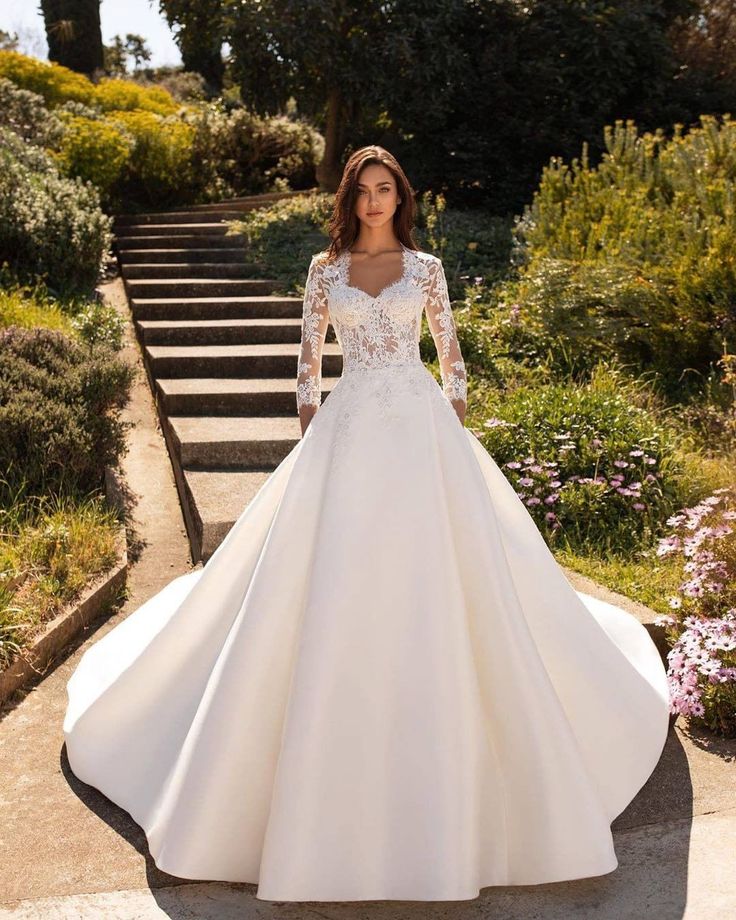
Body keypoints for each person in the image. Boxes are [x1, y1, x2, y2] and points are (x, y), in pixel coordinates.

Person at [63, 145, 671, 903]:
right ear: (349, 198)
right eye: (365, 190)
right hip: (350, 424)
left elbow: (448, 350)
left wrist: (451, 416)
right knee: (334, 574)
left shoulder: (426, 269)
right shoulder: (325, 271)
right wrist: (312, 421)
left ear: (400, 198)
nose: (377, 201)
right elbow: (308, 356)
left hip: (418, 426)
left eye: (387, 190)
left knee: (442, 575)